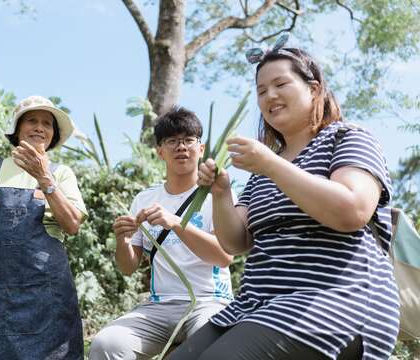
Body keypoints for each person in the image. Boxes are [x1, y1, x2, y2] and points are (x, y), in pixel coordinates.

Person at [167, 36, 399, 360]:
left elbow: (352, 209)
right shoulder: (262, 166)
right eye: (261, 91)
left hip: (337, 299)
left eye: (280, 84)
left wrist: (270, 164)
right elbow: (235, 242)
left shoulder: (348, 137)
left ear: (314, 89)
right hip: (257, 304)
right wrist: (222, 193)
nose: (269, 96)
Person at [89, 107, 235, 360]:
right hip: (159, 306)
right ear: (159, 151)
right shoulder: (145, 199)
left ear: (201, 149)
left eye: (189, 140)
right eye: (172, 141)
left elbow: (224, 257)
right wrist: (123, 240)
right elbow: (127, 267)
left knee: (210, 342)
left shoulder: (216, 196)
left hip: (209, 302)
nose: (181, 147)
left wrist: (176, 223)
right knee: (107, 344)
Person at [0, 95, 88, 359]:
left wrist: (44, 178)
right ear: (17, 130)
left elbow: (72, 225)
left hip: (48, 297)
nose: (40, 127)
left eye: (47, 123)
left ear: (53, 134)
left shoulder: (62, 174)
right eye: (32, 120)